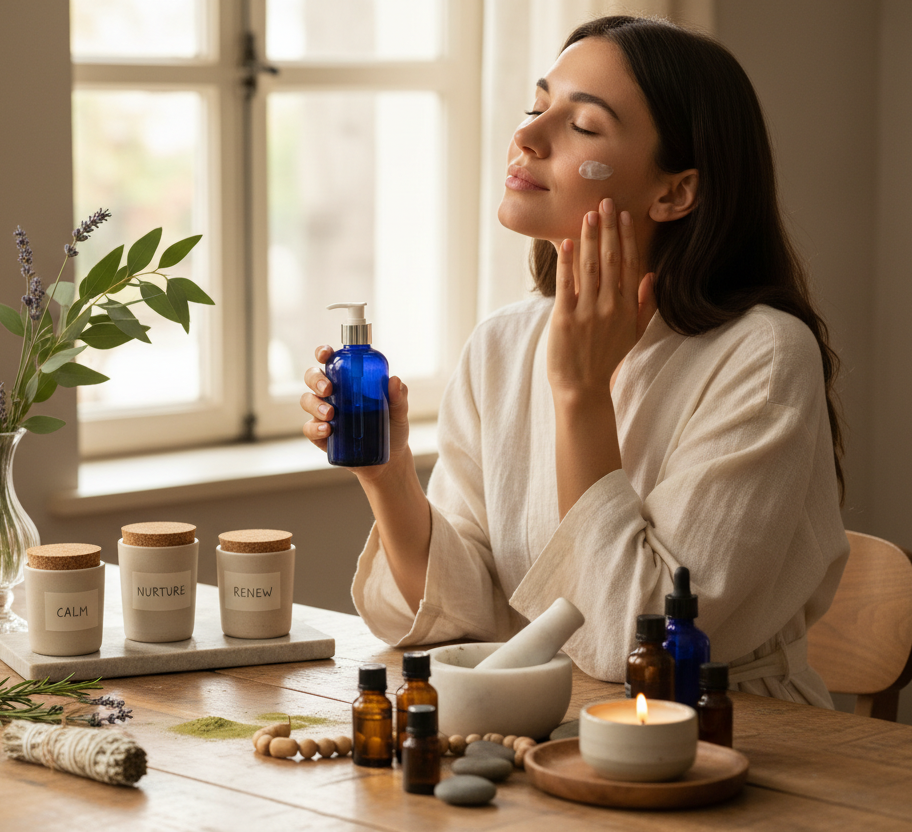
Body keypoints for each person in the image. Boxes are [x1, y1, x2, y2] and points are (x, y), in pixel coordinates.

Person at [300, 16, 848, 706]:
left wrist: (581, 393)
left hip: (727, 736)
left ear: (675, 192)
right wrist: (388, 477)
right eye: (536, 107)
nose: (526, 137)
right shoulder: (503, 341)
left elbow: (637, 643)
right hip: (550, 720)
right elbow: (468, 618)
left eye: (583, 127)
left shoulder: (763, 356)